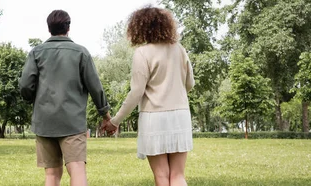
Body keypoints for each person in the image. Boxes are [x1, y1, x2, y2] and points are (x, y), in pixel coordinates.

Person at [19, 10, 113, 186]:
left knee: (52, 174)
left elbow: (25, 85)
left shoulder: (36, 53)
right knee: (77, 169)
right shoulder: (81, 53)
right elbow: (95, 87)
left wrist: (32, 99)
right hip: (72, 122)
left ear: (49, 28)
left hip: (44, 121)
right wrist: (106, 116)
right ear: (68, 27)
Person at [104, 6, 195, 186]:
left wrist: (115, 121)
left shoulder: (142, 53)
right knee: (178, 175)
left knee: (161, 176)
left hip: (154, 118)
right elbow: (190, 84)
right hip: (180, 116)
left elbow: (136, 92)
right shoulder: (180, 49)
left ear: (140, 27)